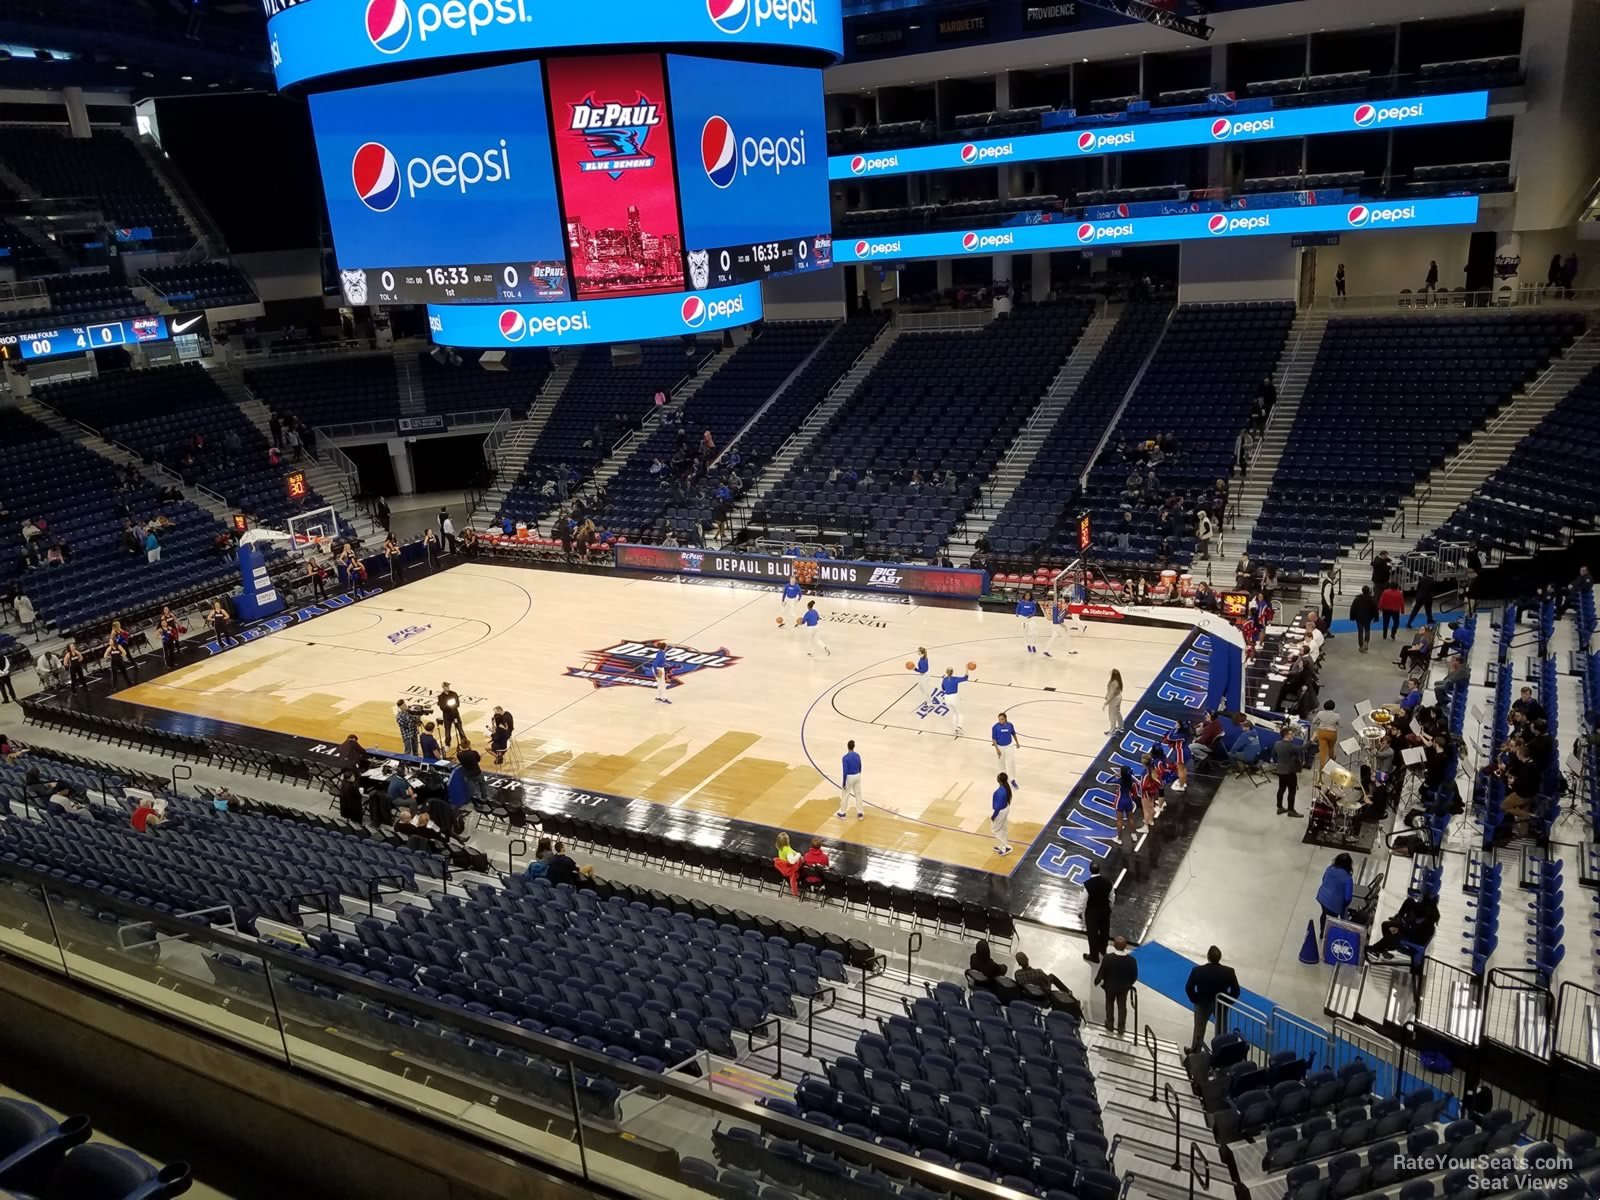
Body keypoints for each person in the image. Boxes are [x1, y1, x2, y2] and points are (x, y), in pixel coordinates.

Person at [1184, 946, 1241, 1053]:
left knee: (1199, 1031)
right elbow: (1236, 991)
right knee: (1221, 1032)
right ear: (1220, 957)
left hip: (1202, 1004)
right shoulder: (1229, 972)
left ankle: (1195, 1054)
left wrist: (1196, 999)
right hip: (1220, 1005)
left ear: (1208, 957)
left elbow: (1188, 988)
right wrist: (1226, 1002)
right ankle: (1220, 1054)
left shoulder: (1197, 971)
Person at [1366, 889, 1440, 964]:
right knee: (1386, 925)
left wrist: (1399, 931)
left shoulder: (1427, 928)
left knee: (1390, 938)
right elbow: (1412, 928)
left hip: (1410, 944)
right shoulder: (1425, 923)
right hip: (1408, 936)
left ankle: (1374, 949)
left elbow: (1412, 935)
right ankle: (1382, 949)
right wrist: (1403, 926)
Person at [1095, 937, 1139, 1035]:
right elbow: (1134, 976)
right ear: (1125, 946)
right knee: (1122, 1006)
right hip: (1123, 988)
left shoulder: (1108, 958)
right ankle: (1121, 1028)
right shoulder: (1132, 960)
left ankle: (1110, 1024)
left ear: (1114, 945)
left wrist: (1097, 981)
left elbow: (1102, 972)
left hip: (1110, 987)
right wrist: (1128, 984)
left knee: (1109, 1003)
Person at [1082, 862, 1113, 963]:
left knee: (1092, 934)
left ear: (1090, 871)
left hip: (1092, 912)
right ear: (1099, 870)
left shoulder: (1087, 884)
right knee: (1105, 932)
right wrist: (1109, 907)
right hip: (1105, 910)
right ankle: (1103, 950)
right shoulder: (1108, 882)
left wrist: (1080, 912)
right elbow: (1112, 897)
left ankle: (1094, 956)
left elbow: (1083, 900)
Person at [1317, 853, 1355, 936]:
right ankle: (1328, 935)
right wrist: (1343, 905)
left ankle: (1322, 931)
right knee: (1332, 920)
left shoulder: (1330, 869)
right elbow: (1347, 898)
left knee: (1324, 913)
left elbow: (1323, 879)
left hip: (1322, 898)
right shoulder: (1347, 878)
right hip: (1334, 904)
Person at [1272, 724, 1305, 817]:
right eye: (1291, 734)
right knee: (1292, 791)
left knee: (1281, 789)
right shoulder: (1289, 746)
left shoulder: (1277, 744)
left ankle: (1279, 807)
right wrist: (1313, 739)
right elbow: (1303, 748)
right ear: (1286, 735)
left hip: (1280, 771)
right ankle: (1291, 810)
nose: (1293, 735)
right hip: (1289, 772)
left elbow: (1274, 755)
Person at [991, 711, 1022, 788]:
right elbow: (994, 738)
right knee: (1001, 765)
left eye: (1002, 719)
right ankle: (1003, 781)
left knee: (1011, 763)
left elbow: (1013, 734)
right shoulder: (995, 727)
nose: (1000, 721)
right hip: (1000, 747)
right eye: (999, 719)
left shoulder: (1010, 725)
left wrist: (1017, 743)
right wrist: (997, 749)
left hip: (1009, 746)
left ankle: (1012, 780)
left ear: (1005, 719)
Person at [938, 666, 972, 734]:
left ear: (946, 672)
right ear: (952, 672)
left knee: (953, 713)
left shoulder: (944, 679)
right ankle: (959, 726)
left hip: (947, 698)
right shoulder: (955, 679)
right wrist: (966, 669)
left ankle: (955, 728)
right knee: (960, 713)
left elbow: (943, 688)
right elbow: (965, 678)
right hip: (954, 697)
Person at [1312, 700, 1341, 773]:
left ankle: (1322, 767)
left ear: (1324, 706)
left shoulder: (1320, 713)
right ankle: (1331, 758)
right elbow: (1340, 725)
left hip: (1322, 732)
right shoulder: (1337, 715)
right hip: (1332, 733)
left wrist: (1320, 723)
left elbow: (1314, 721)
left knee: (1322, 750)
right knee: (1331, 747)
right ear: (1333, 707)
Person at [838, 739, 864, 819]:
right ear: (854, 746)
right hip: (857, 775)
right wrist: (859, 773)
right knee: (858, 795)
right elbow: (860, 765)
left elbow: (845, 771)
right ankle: (860, 813)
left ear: (847, 747)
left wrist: (844, 782)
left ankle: (843, 813)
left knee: (845, 795)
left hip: (849, 777)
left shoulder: (845, 758)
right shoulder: (857, 755)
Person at [455, 738, 485, 805]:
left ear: (461, 746)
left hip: (467, 775)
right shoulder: (474, 752)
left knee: (472, 790)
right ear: (469, 745)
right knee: (482, 784)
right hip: (477, 772)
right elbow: (478, 760)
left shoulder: (459, 755)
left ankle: (475, 803)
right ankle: (484, 798)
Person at [1350, 585, 1378, 653]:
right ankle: (1366, 642)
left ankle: (1361, 646)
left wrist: (1352, 617)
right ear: (1368, 591)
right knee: (1367, 630)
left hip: (1359, 617)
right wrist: (1375, 617)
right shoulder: (1372, 599)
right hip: (1368, 617)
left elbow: (1353, 608)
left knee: (1360, 632)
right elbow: (1375, 609)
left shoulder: (1357, 599)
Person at [773, 831, 802, 896]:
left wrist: (795, 853)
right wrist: (798, 855)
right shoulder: (787, 850)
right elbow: (792, 861)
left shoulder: (780, 848)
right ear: (787, 840)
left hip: (783, 869)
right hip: (790, 869)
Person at [991, 771, 1013, 856]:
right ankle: (1003, 846)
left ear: (999, 780)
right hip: (1005, 808)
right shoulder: (1006, 788)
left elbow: (997, 807)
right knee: (1003, 828)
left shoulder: (1000, 792)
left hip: (1000, 811)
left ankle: (1004, 848)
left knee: (995, 830)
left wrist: (994, 815)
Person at [438, 682, 465, 747]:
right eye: (446, 686)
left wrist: (450, 706)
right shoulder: (441, 697)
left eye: (448, 686)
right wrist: (450, 706)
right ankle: (447, 744)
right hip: (447, 717)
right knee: (447, 732)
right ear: (443, 687)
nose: (448, 687)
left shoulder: (454, 694)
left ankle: (464, 743)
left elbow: (457, 704)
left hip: (455, 715)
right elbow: (442, 707)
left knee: (460, 730)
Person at [1114, 764, 1138, 838]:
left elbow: (1107, 781)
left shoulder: (1119, 781)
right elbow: (1135, 795)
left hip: (1120, 801)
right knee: (1130, 818)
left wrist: (1115, 775)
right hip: (1128, 800)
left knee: (1119, 820)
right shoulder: (1133, 782)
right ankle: (1134, 834)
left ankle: (1119, 839)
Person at [1104, 669, 1124, 735]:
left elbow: (1111, 694)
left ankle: (1112, 731)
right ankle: (1121, 727)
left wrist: (1106, 703)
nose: (1110, 672)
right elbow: (1110, 691)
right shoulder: (1117, 680)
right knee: (1117, 713)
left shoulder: (1113, 683)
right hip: (1118, 697)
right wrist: (1107, 694)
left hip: (1114, 699)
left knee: (1112, 715)